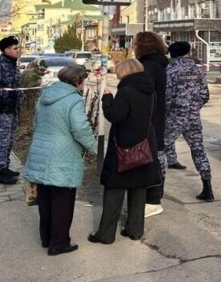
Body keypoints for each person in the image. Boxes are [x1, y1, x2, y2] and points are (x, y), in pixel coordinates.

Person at [23, 65, 96, 255]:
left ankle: (46, 238)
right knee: (62, 201)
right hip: (62, 156)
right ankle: (59, 243)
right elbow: (80, 129)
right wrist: (94, 147)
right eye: (83, 81)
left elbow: (36, 124)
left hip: (40, 151)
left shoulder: (45, 96)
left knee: (45, 199)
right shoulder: (73, 99)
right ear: (77, 81)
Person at [89, 59, 161, 245]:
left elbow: (115, 115)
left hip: (124, 147)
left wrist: (107, 99)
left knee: (114, 190)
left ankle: (105, 234)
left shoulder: (126, 91)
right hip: (144, 148)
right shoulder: (150, 91)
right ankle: (135, 230)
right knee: (138, 190)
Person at [164, 42, 214, 202]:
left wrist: (164, 115)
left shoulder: (171, 70)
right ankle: (207, 189)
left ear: (171, 54)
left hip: (174, 117)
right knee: (198, 150)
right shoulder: (197, 69)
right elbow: (205, 95)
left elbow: (167, 97)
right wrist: (193, 108)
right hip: (193, 117)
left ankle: (157, 190)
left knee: (160, 148)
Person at [134, 31, 169, 218]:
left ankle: (153, 200)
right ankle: (152, 198)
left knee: (149, 158)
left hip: (149, 119)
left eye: (135, 43)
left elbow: (143, 93)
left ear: (143, 45)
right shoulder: (158, 64)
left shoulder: (148, 66)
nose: (133, 47)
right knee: (154, 155)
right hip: (156, 117)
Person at [0, 35, 23, 184]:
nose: (18, 50)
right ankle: (0, 172)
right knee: (3, 140)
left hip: (13, 108)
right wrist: (5, 93)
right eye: (15, 48)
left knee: (9, 139)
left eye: (18, 47)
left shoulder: (12, 64)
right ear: (6, 50)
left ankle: (5, 167)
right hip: (4, 108)